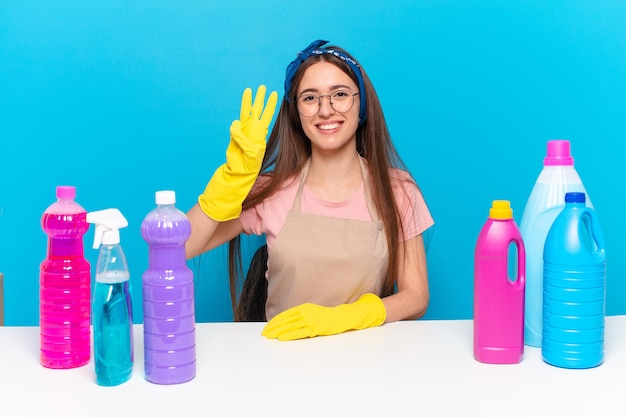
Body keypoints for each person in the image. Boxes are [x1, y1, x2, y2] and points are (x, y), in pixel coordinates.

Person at [185, 39, 434, 341]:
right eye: (310, 98)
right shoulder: (272, 189)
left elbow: (416, 296)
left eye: (340, 95)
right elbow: (179, 248)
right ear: (296, 111)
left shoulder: (397, 190)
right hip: (281, 360)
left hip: (368, 361)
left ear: (362, 104)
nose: (325, 110)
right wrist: (227, 184)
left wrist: (345, 317)